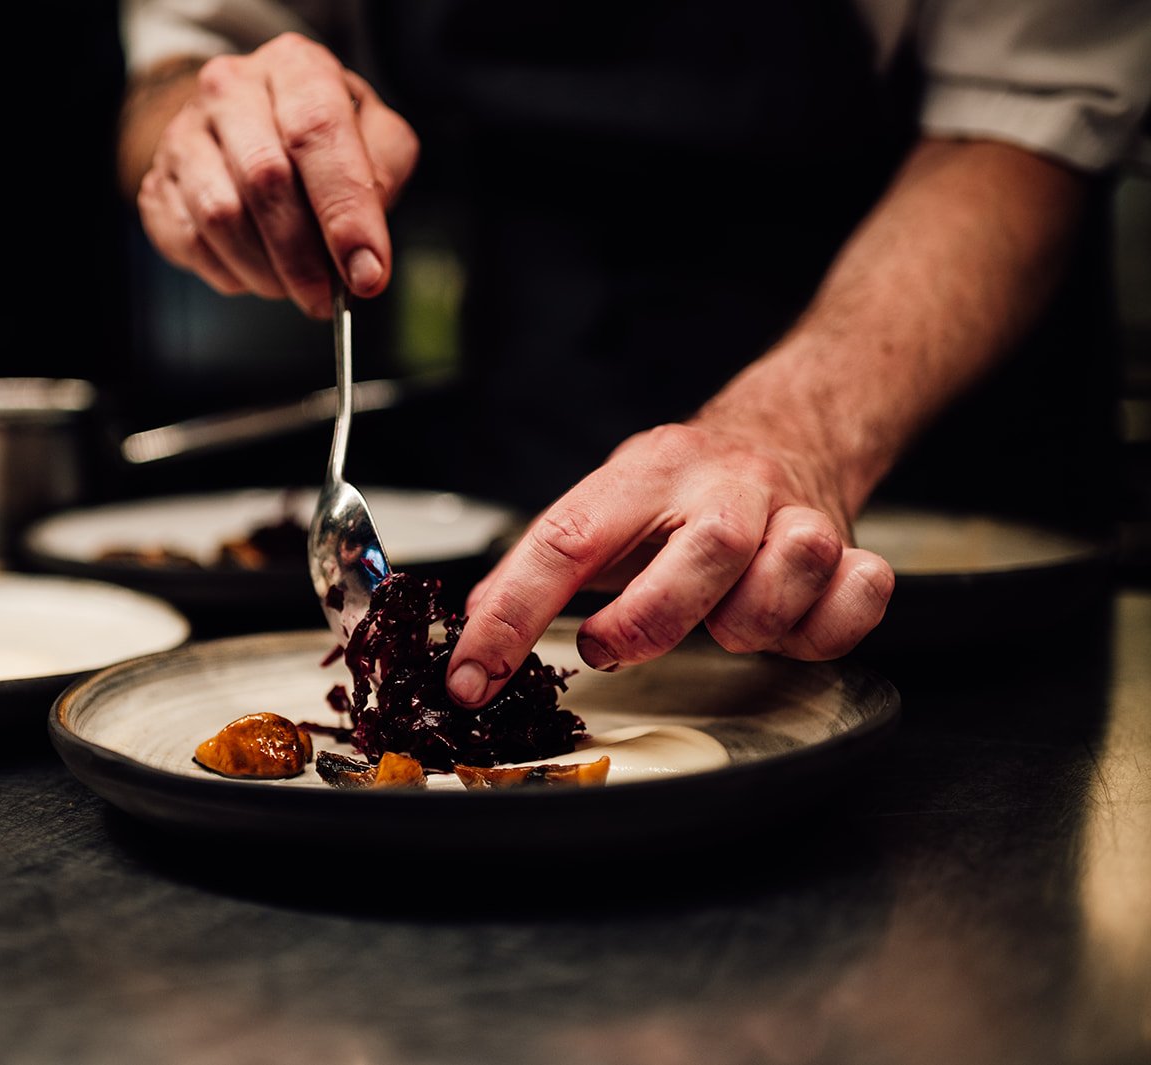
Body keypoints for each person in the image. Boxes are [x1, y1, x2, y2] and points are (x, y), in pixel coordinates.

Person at [113, 1, 1151, 709]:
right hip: (540, 380)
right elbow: (180, 64)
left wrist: (804, 432)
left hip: (928, 446)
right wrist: (209, 125)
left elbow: (1024, 121)